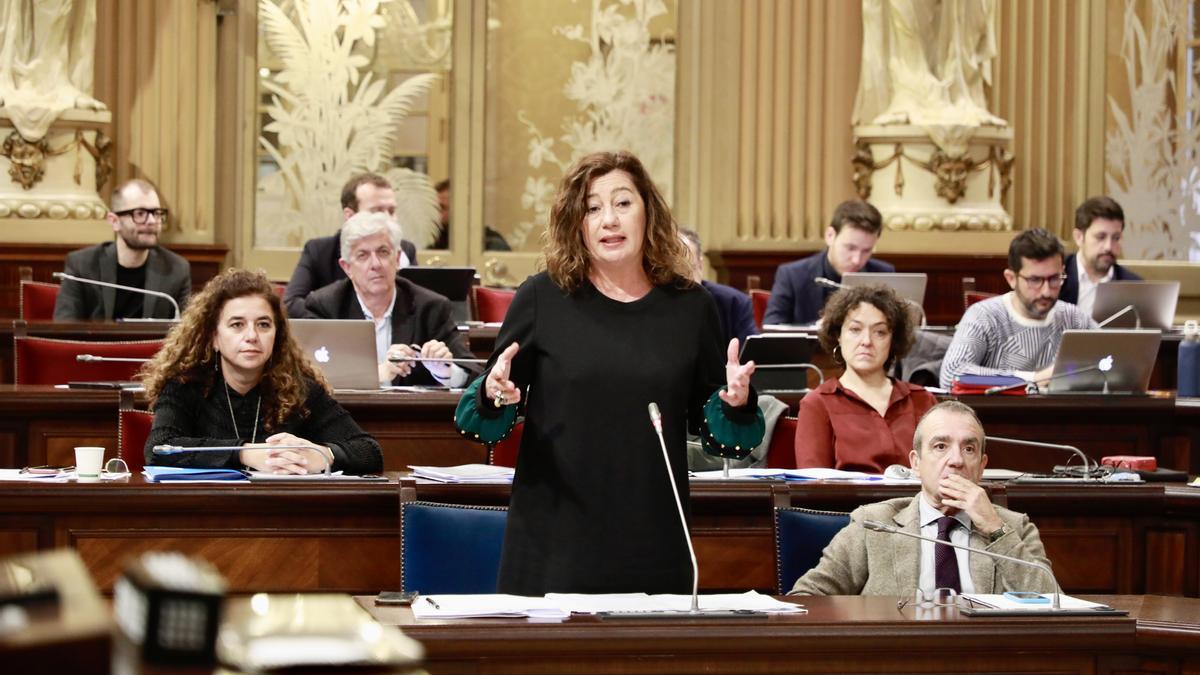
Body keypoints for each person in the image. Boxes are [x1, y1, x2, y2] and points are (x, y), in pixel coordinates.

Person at [454, 151, 765, 595]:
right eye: (592, 208)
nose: (608, 220)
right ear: (576, 224)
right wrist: (493, 392)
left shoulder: (691, 306)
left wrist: (735, 403)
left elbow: (716, 428)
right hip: (555, 536)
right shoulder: (542, 297)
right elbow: (480, 420)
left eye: (622, 203)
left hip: (654, 533)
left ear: (648, 213)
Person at [790, 401, 1056, 596]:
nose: (956, 460)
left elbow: (1052, 602)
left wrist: (996, 530)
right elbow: (808, 598)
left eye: (969, 448)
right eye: (941, 446)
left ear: (982, 465)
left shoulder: (1015, 526)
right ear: (916, 463)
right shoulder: (872, 524)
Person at [141, 268, 383, 475]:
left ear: (276, 334)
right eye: (237, 325)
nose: (252, 336)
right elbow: (159, 448)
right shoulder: (186, 384)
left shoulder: (299, 389)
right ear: (214, 337)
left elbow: (369, 450)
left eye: (263, 324)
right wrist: (244, 453)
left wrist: (322, 455)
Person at [303, 211, 478, 388]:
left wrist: (445, 371)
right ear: (346, 267)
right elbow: (305, 376)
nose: (376, 264)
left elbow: (474, 375)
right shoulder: (324, 307)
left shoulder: (430, 307)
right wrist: (377, 373)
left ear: (397, 258)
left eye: (383, 252)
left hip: (411, 414)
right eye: (363, 255)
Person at [795, 285, 936, 473]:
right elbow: (812, 486)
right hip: (845, 503)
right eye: (855, 329)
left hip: (915, 501)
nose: (866, 341)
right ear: (838, 336)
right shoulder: (817, 404)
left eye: (880, 332)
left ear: (893, 340)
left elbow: (939, 472)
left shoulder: (922, 400)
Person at [939, 228, 1096, 389]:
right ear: (1011, 279)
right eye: (1035, 280)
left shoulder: (1075, 318)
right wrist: (1032, 379)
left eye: (1054, 279)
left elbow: (1113, 362)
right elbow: (953, 376)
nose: (1046, 291)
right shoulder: (984, 316)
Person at [283, 172, 419, 317]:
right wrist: (341, 327)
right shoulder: (319, 251)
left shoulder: (405, 249)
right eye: (377, 211)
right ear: (350, 215)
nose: (388, 219)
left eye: (391, 211)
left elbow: (419, 302)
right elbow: (291, 302)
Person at [54, 178, 191, 321]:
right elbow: (64, 325)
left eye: (156, 213)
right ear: (114, 221)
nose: (151, 221)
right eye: (140, 213)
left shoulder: (177, 269)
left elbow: (188, 333)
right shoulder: (82, 265)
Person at [763, 199, 895, 326]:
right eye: (850, 248)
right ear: (830, 236)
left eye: (866, 250)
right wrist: (816, 328)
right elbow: (772, 328)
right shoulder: (792, 275)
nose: (857, 260)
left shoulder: (884, 274)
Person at [1060, 196, 1142, 317]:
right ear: (1079, 237)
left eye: (1116, 238)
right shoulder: (1055, 276)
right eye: (1100, 237)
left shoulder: (1134, 286)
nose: (1108, 247)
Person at [679, 228, 757, 345]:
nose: (681, 282)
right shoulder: (652, 306)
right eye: (673, 273)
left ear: (700, 265)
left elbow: (752, 354)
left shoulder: (735, 303)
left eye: (688, 271)